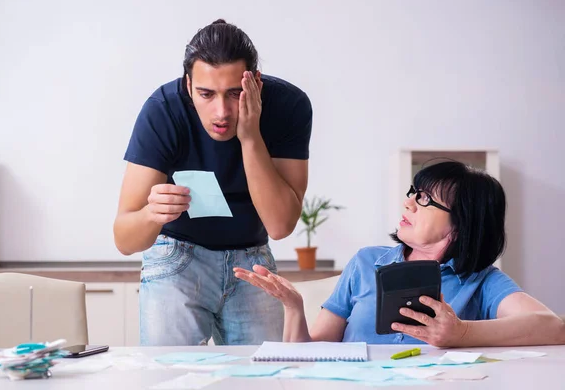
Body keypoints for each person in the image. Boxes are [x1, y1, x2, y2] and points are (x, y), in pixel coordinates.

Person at [114, 19, 312, 346]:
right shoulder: (163, 111)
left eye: (235, 93)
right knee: (170, 378)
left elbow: (279, 226)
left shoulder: (289, 107)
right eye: (206, 94)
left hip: (253, 260)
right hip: (177, 257)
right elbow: (124, 238)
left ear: (256, 82)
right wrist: (151, 214)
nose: (221, 112)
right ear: (188, 85)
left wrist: (250, 137)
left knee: (261, 378)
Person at [235, 161, 565, 347]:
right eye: (413, 193)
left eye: (424, 199)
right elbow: (314, 353)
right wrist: (294, 308)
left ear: (461, 224)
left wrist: (462, 333)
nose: (408, 203)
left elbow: (554, 328)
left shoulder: (482, 281)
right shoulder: (366, 262)